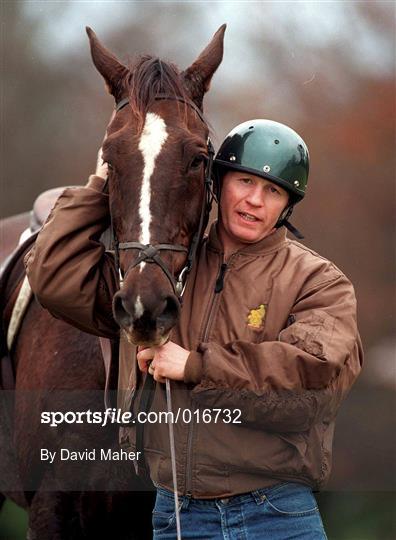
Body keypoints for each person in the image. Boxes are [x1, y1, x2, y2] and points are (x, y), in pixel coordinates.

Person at [25, 119, 363, 539]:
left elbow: (309, 385)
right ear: (217, 185)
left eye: (273, 190)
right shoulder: (161, 274)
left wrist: (195, 366)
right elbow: (53, 277)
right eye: (245, 182)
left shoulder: (320, 282)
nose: (255, 200)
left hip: (274, 512)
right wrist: (103, 181)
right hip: (176, 515)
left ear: (287, 204)